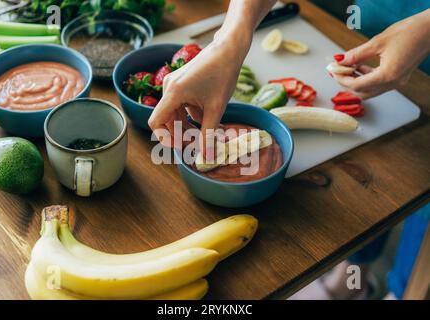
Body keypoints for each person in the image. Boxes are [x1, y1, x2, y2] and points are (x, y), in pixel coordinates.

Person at [148, 0, 430, 300]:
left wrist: (425, 29)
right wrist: (228, 41)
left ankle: (399, 291)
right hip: (369, 24)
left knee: (419, 203)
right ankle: (351, 280)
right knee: (371, 198)